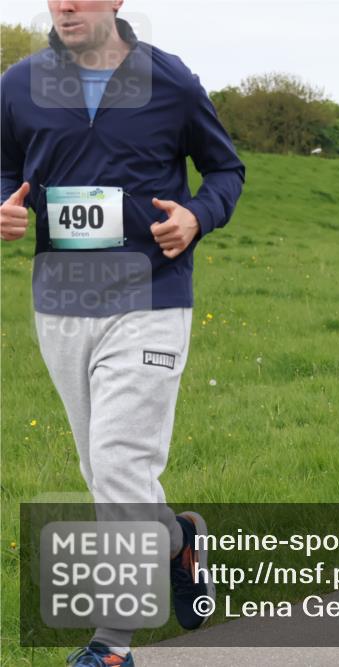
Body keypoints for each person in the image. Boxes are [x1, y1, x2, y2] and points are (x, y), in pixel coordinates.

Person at [0, 2, 244, 664]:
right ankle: (178, 539)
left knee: (118, 464)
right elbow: (4, 166)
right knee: (105, 475)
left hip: (151, 297)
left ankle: (111, 645)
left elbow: (226, 172)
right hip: (60, 305)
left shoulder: (171, 81)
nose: (66, 4)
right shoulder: (18, 83)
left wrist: (195, 216)